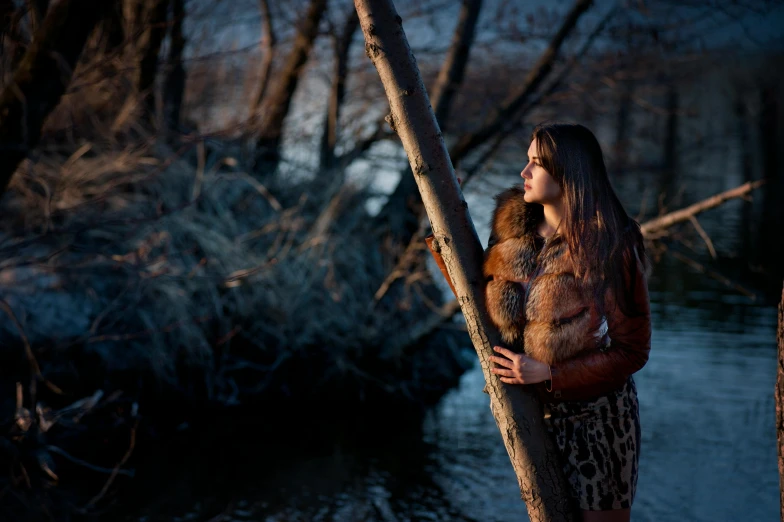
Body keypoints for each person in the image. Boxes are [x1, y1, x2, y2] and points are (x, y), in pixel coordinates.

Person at [482, 122, 652, 522]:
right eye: (527, 162)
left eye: (536, 164)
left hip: (597, 423)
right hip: (532, 417)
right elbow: (481, 301)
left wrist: (549, 372)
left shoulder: (609, 243)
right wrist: (445, 232)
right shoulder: (513, 227)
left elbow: (633, 350)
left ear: (567, 172)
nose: (524, 172)